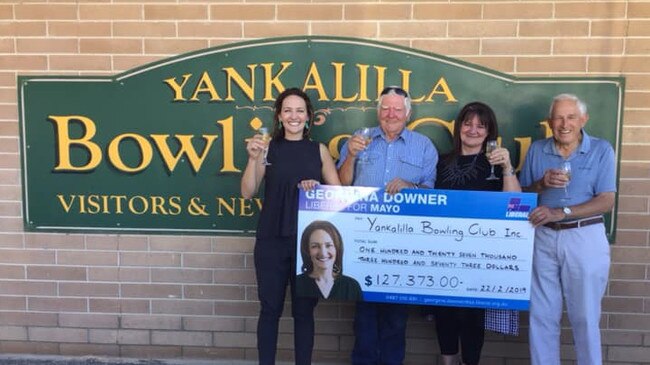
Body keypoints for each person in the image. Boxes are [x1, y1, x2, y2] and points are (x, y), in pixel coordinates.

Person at [338, 86, 438, 365]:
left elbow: (431, 195)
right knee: (364, 317)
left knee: (395, 318)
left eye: (397, 109)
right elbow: (341, 184)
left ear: (408, 113)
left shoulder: (424, 146)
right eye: (385, 108)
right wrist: (351, 156)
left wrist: (410, 186)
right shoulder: (358, 140)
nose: (390, 114)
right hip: (362, 241)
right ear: (378, 112)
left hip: (403, 245)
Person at [240, 87, 341, 365]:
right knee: (269, 310)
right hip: (271, 240)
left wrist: (317, 188)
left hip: (308, 246)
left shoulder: (318, 151)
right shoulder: (266, 148)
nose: (293, 116)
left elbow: (339, 196)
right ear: (279, 115)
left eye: (300, 110)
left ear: (309, 117)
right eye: (288, 110)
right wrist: (252, 158)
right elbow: (248, 192)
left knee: (304, 312)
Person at [520, 94, 616, 365]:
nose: (565, 124)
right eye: (559, 118)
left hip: (584, 236)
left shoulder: (601, 149)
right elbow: (523, 193)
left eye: (571, 117)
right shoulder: (538, 150)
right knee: (542, 315)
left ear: (583, 119)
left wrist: (562, 212)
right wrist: (541, 183)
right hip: (543, 235)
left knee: (585, 316)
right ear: (550, 122)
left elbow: (607, 200)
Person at [432, 101, 521, 365]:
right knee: (445, 311)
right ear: (458, 127)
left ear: (489, 132)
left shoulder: (496, 163)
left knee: (472, 314)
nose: (473, 130)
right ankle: (448, 361)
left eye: (481, 126)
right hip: (443, 251)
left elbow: (513, 204)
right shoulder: (440, 162)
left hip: (480, 253)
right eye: (468, 124)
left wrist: (507, 168)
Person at [296, 220, 363, 301]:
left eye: (328, 245)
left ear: (337, 248)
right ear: (307, 250)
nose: (323, 253)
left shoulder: (352, 286)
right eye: (315, 246)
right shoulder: (297, 283)